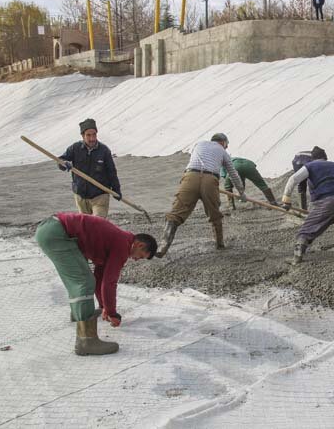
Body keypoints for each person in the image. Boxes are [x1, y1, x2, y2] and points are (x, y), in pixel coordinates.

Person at [34, 212, 157, 355]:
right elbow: (109, 282)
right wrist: (112, 312)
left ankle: (79, 315)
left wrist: (104, 306)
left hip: (51, 229)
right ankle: (86, 341)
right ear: (139, 244)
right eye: (140, 256)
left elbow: (100, 277)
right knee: (84, 282)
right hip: (57, 233)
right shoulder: (123, 244)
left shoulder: (119, 239)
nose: (136, 259)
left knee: (81, 278)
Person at [158, 133, 246, 256]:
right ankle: (219, 244)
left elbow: (195, 159)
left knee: (176, 213)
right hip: (210, 180)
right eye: (227, 145)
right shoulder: (223, 152)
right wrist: (241, 192)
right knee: (214, 214)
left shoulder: (199, 144)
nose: (226, 147)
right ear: (223, 142)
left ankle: (163, 246)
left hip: (190, 177)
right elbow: (232, 173)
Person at [280, 146, 334, 264]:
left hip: (328, 201)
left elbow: (293, 179)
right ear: (325, 157)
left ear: (312, 158)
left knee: (307, 230)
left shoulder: (310, 166)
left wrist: (286, 200)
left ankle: (297, 258)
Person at [58, 118, 121, 218]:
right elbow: (60, 160)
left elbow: (111, 172)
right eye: (88, 135)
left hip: (100, 195)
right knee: (85, 226)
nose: (92, 138)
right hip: (81, 196)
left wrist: (116, 189)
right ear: (82, 135)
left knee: (97, 225)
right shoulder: (75, 148)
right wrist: (64, 163)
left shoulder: (104, 150)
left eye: (94, 134)